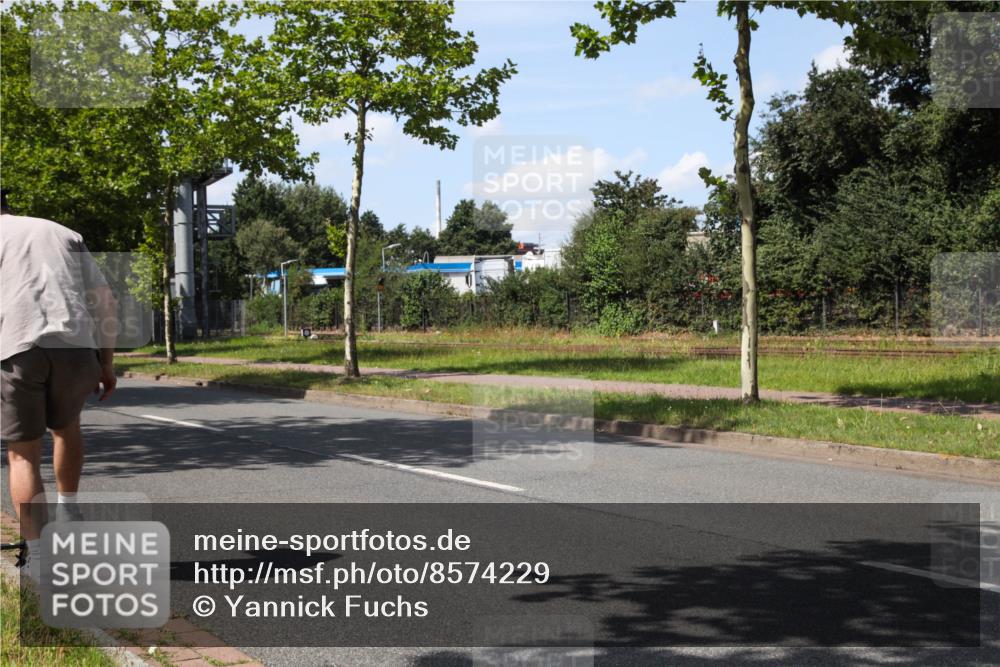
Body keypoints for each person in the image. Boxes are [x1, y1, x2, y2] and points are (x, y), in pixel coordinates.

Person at [0, 187, 118, 581]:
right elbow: (104, 300)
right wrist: (106, 363)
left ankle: (38, 558)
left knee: (23, 454)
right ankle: (70, 509)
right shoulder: (63, 233)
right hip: (75, 343)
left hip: (18, 346)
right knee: (67, 428)